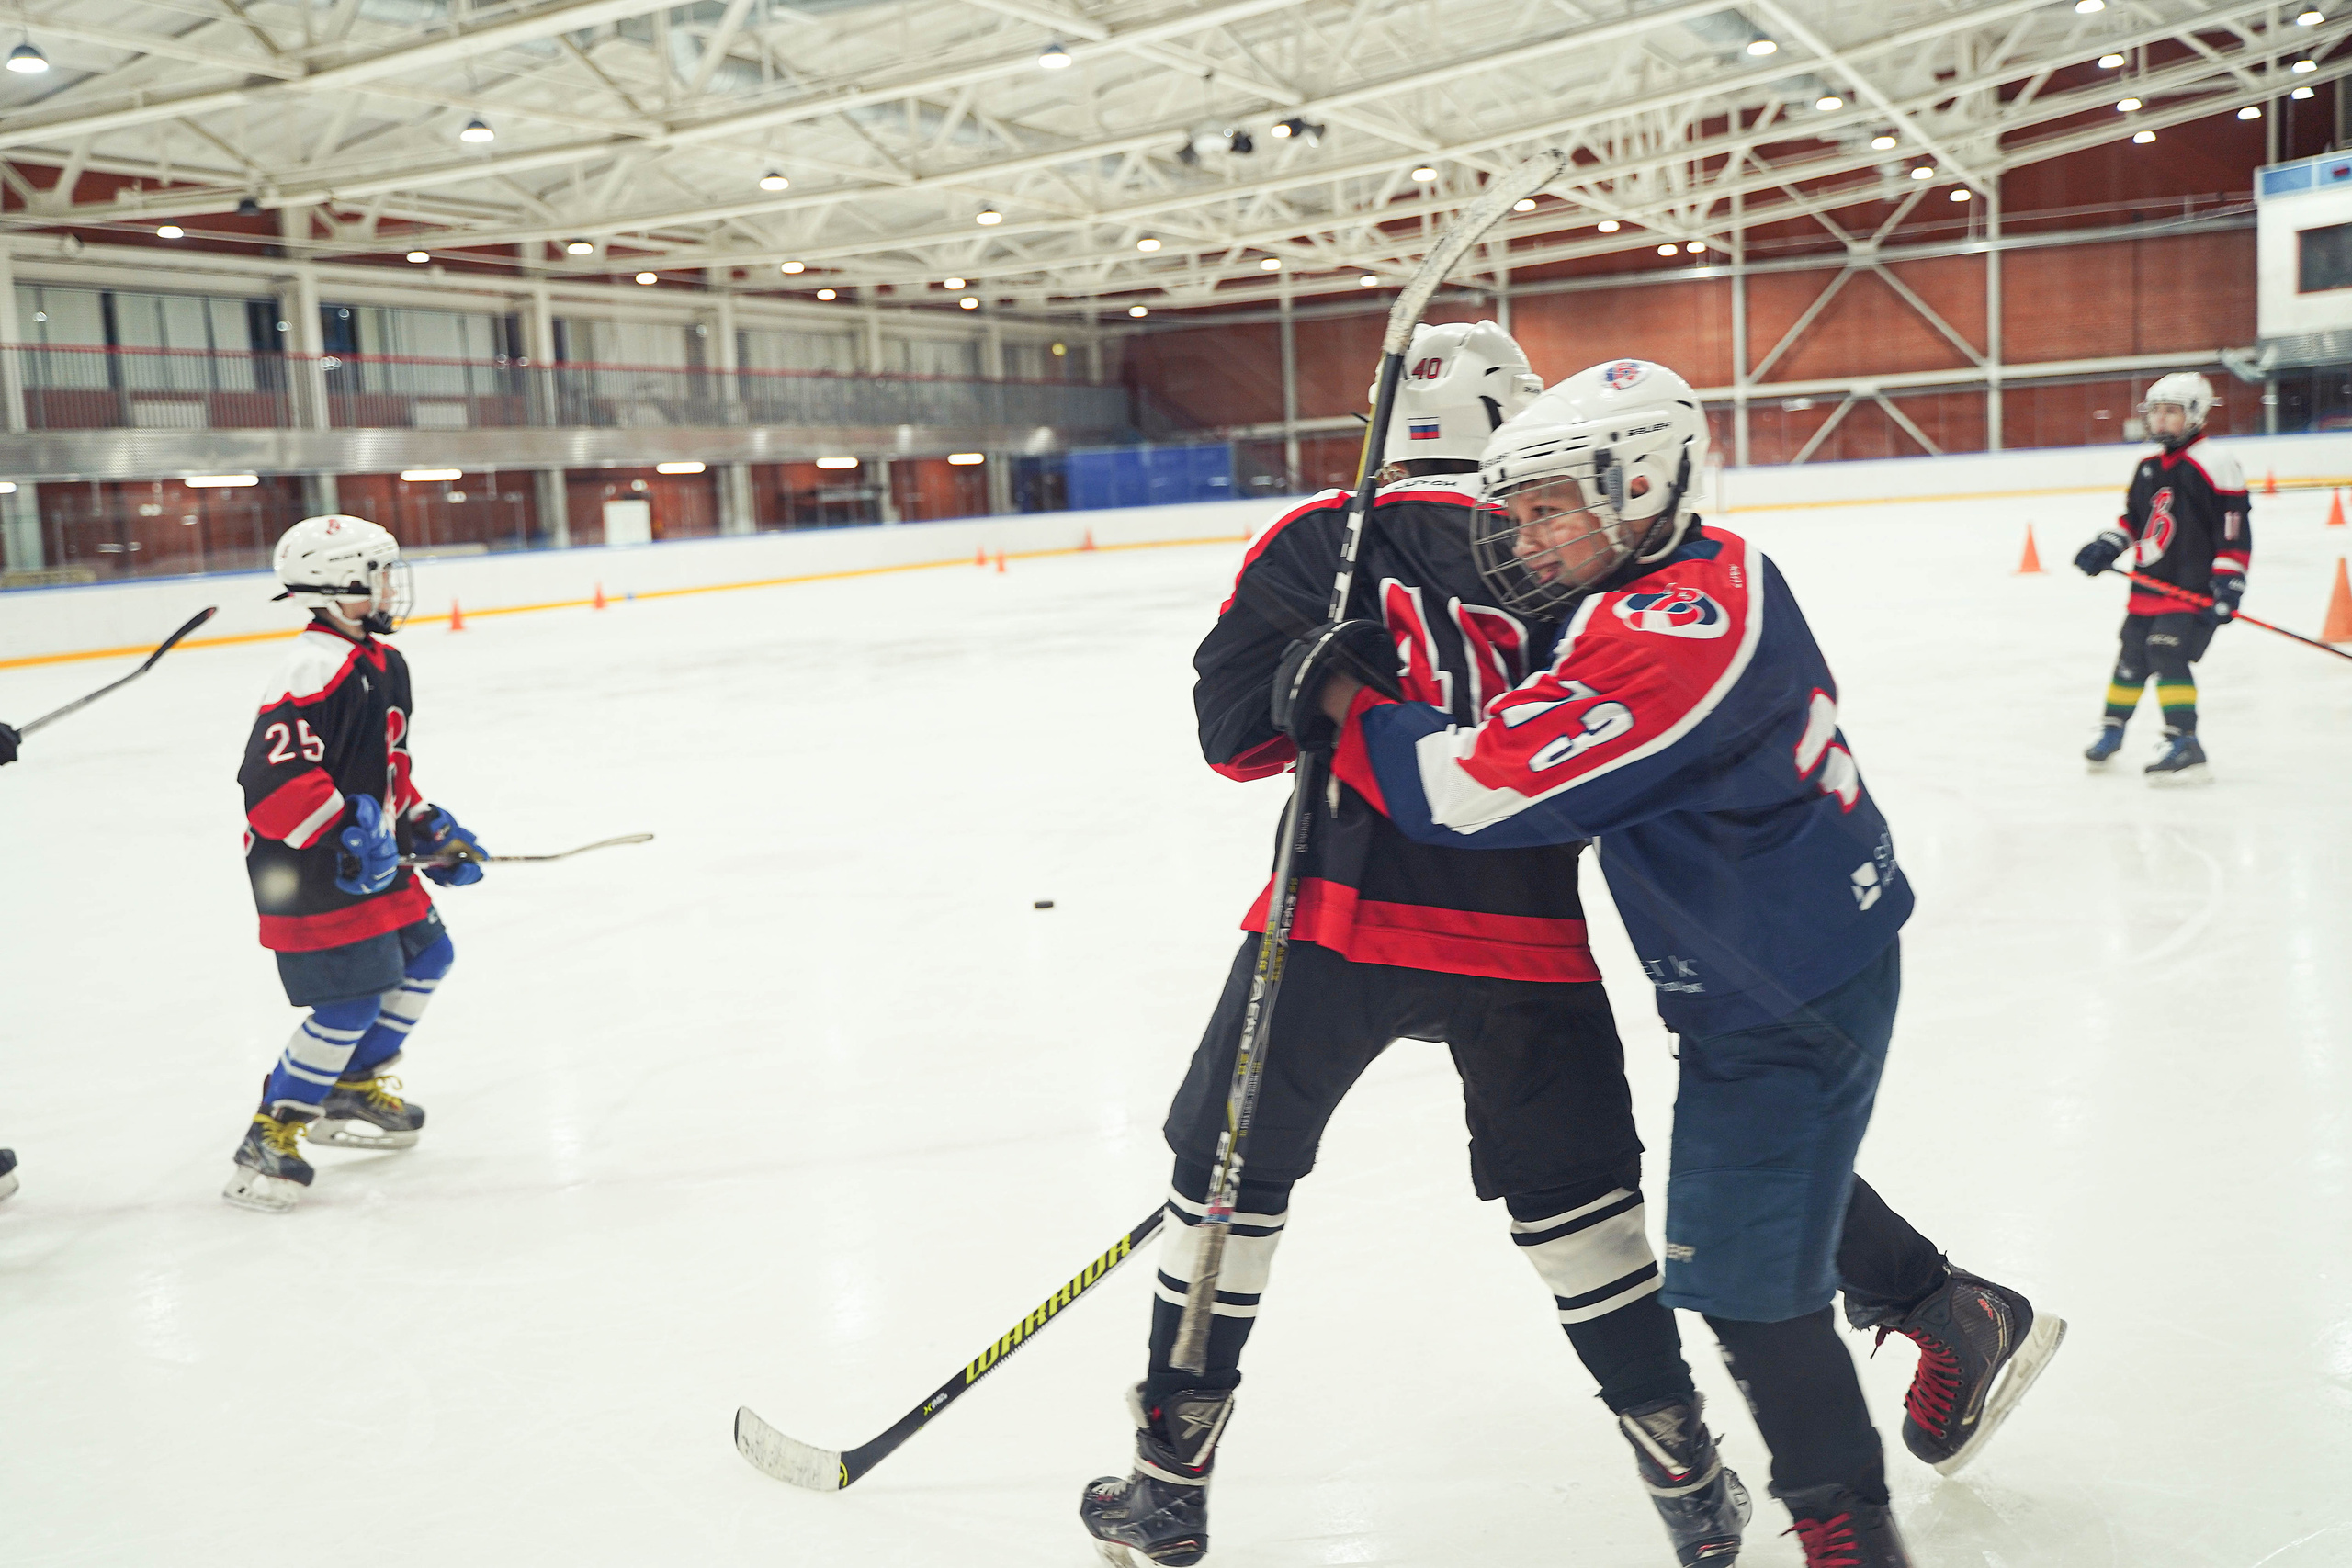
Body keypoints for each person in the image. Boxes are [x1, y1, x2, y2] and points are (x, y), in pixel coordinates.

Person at [1292, 359, 2065, 1566]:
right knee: (1758, 1182)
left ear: (1638, 484)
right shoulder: (1695, 567)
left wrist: (1339, 692)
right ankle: (1942, 1304)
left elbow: (1463, 786)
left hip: (1785, 989)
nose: (1524, 537)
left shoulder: (1664, 635)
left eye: (1548, 508)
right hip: (1786, 960)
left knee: (1742, 1279)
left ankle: (1851, 1535)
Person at [1080, 323, 1755, 1568]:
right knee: (1582, 1210)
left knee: (1229, 1185)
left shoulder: (1314, 540)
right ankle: (1690, 1477)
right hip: (1529, 935)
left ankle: (1168, 1488)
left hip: (1335, 919)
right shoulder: (1567, 546)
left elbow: (1230, 739)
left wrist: (1313, 677)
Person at [224, 514, 485, 1213]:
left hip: (366, 855)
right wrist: (345, 836)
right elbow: (272, 785)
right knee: (348, 1001)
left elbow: (384, 770)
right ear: (340, 585)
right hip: (309, 869)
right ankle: (271, 1130)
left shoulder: (380, 660)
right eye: (380, 574)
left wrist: (424, 826)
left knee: (429, 956)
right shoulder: (310, 667)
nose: (392, 587)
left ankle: (349, 1083)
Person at [2072, 371, 2251, 784]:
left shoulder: (2216, 463)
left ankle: (2184, 739)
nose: (2161, 421)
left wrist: (2230, 581)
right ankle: (2112, 729)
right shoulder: (2149, 466)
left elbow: (2234, 529)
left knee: (2166, 653)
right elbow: (2136, 521)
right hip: (2148, 585)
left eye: (2171, 412)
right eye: (2156, 412)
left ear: (2196, 414)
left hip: (2191, 590)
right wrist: (2107, 544)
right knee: (2130, 658)